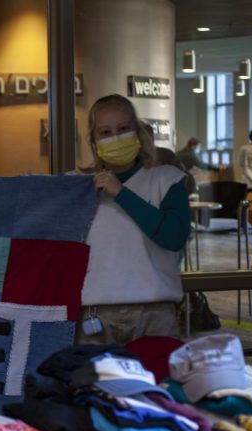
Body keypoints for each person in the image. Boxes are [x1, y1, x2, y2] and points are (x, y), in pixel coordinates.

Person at [77, 94, 190, 346]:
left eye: (123, 129)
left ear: (137, 132)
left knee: (157, 384)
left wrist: (121, 194)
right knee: (94, 385)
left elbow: (173, 236)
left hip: (154, 313)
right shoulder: (80, 187)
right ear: (94, 141)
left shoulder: (167, 179)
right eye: (105, 132)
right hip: (94, 315)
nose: (115, 137)